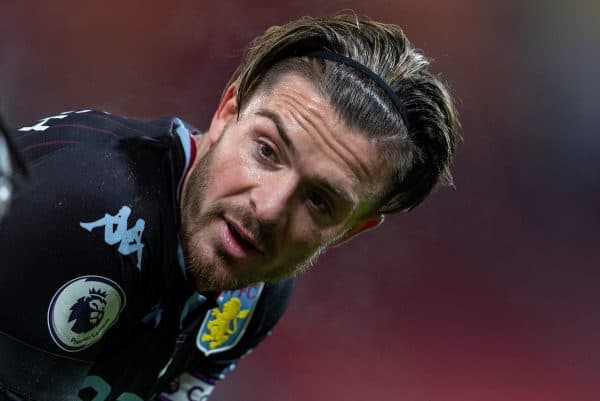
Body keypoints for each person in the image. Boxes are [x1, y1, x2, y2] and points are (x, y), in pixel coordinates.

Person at [0, 14, 460, 401]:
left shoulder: (255, 295)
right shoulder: (90, 209)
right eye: (267, 151)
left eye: (319, 201)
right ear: (226, 111)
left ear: (352, 229)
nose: (268, 208)